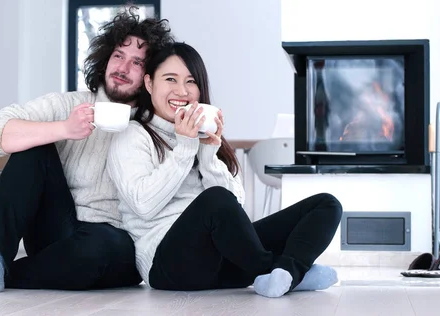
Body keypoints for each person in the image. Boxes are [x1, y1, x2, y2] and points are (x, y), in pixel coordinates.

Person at [0, 7, 174, 293]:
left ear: (150, 77)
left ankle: (3, 272)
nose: (123, 68)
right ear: (105, 59)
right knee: (32, 146)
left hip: (111, 243)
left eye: (137, 63)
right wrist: (63, 129)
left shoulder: (155, 128)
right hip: (55, 231)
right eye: (118, 56)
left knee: (103, 247)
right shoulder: (69, 105)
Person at [106, 42, 343, 298]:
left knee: (326, 204)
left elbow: (234, 209)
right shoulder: (133, 135)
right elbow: (143, 205)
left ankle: (285, 273)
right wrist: (185, 147)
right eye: (170, 79)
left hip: (225, 263)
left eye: (191, 82)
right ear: (150, 83)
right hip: (169, 266)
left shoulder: (201, 138)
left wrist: (208, 155)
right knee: (214, 199)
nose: (182, 91)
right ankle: (278, 270)